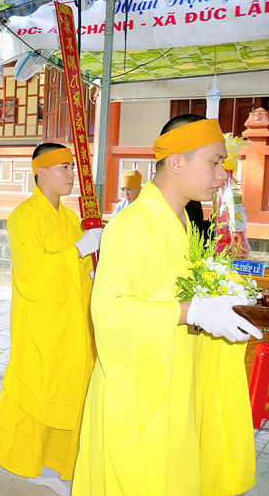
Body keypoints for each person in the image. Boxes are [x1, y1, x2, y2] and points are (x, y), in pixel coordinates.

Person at [72, 115, 262, 496]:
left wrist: (222, 301)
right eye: (214, 161)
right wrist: (191, 312)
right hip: (134, 394)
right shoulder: (132, 225)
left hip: (175, 387)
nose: (222, 174)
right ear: (176, 162)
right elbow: (108, 313)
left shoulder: (184, 225)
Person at [0, 143, 100, 496]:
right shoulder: (24, 216)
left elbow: (81, 271)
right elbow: (32, 272)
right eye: (64, 168)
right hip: (40, 322)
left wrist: (93, 271)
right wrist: (79, 249)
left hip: (73, 322)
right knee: (31, 394)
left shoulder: (71, 219)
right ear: (40, 171)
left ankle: (49, 467)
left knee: (69, 395)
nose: (72, 174)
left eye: (72, 167)